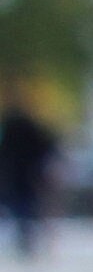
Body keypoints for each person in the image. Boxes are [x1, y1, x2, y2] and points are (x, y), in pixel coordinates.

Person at [0, 94, 61, 256]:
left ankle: (26, 235)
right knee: (29, 205)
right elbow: (47, 145)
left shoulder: (9, 129)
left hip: (15, 175)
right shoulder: (32, 128)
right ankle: (30, 236)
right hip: (31, 174)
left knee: (20, 207)